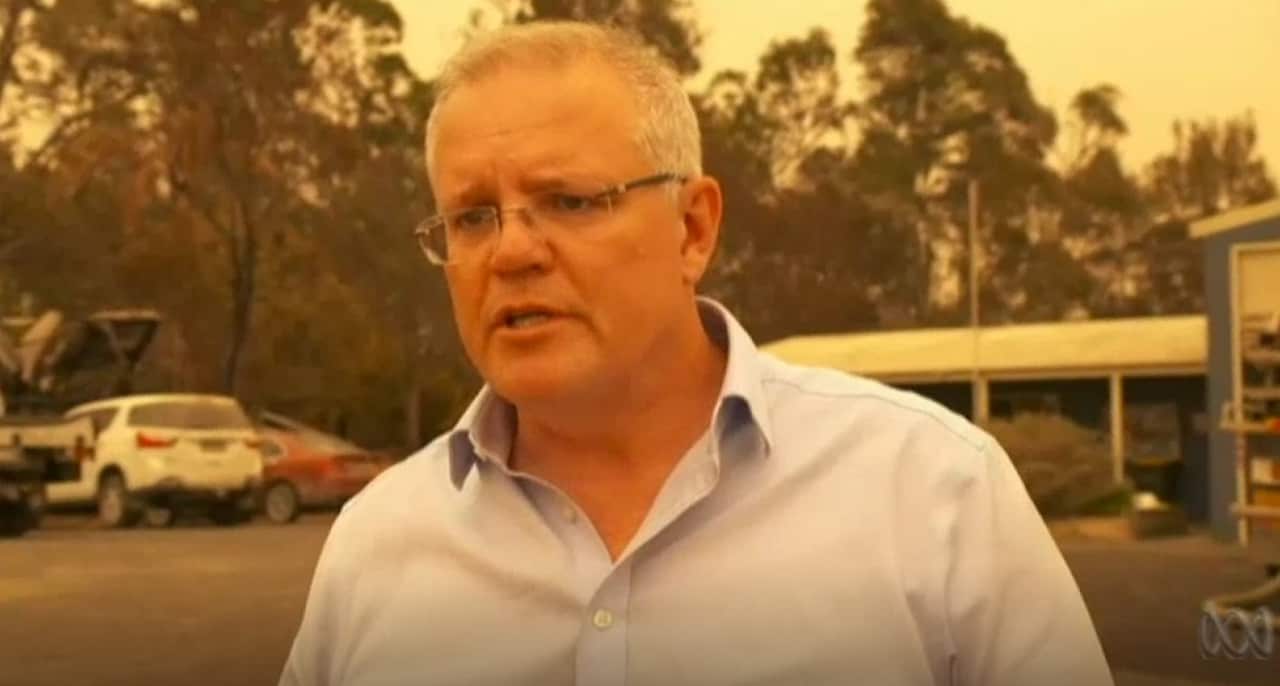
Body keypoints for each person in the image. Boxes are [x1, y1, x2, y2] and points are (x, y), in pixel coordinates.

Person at [279, 20, 1113, 686]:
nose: (511, 251)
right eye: (471, 216)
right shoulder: (378, 546)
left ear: (693, 228)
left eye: (568, 201)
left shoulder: (932, 491)